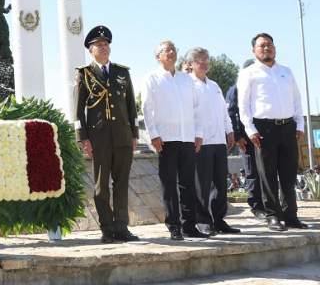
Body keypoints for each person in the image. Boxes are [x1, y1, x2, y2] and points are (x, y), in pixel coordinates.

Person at [73, 25, 139, 244]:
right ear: (90, 50)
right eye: (98, 45)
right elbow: (77, 111)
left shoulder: (122, 72)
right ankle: (107, 228)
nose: (104, 47)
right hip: (99, 138)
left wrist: (134, 134)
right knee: (101, 186)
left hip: (122, 136)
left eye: (106, 44)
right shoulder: (85, 74)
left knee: (121, 183)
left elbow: (131, 107)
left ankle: (122, 228)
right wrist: (82, 138)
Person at [236, 33, 308, 231]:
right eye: (262, 46)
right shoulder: (248, 73)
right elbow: (243, 105)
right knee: (267, 174)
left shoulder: (286, 71)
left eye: (269, 45)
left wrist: (299, 125)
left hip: (288, 127)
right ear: (254, 50)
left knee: (288, 173)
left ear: (275, 48)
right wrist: (250, 129)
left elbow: (297, 100)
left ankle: (291, 215)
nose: (266, 48)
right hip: (264, 129)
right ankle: (273, 216)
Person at [142, 40, 208, 240]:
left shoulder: (186, 79)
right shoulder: (152, 78)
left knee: (188, 183)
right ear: (158, 56)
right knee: (169, 184)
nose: (170, 52)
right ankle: (174, 226)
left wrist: (199, 133)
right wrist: (153, 134)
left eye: (173, 49)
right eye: (165, 50)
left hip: (187, 138)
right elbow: (147, 107)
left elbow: (196, 108)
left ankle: (190, 225)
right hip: (166, 139)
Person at [186, 48, 240, 235]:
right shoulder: (188, 84)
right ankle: (203, 221)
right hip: (201, 141)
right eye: (200, 60)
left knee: (220, 184)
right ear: (191, 64)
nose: (204, 63)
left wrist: (230, 130)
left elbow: (224, 112)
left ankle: (219, 220)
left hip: (219, 141)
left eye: (206, 60)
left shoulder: (215, 85)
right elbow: (189, 114)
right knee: (202, 183)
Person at [226, 59, 266, 220]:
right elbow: (231, 113)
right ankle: (257, 206)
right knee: (252, 172)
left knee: (267, 172)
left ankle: (270, 205)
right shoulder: (235, 89)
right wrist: (237, 136)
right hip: (246, 138)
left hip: (264, 136)